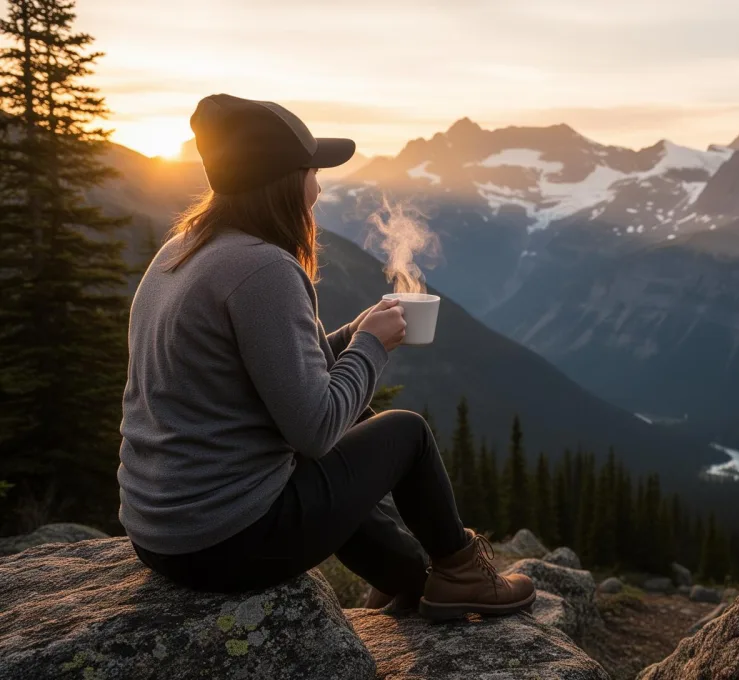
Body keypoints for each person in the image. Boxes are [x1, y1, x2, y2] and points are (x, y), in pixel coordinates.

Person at [117, 94, 534, 620]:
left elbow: (282, 375)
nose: (319, 186)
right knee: (405, 433)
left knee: (353, 431)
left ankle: (410, 577)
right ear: (284, 180)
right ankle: (462, 572)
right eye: (312, 171)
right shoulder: (262, 269)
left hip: (163, 533)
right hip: (228, 541)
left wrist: (354, 333)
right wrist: (372, 346)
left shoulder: (186, 247)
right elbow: (314, 430)